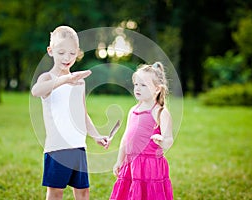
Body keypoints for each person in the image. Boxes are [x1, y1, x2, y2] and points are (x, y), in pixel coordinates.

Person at [31, 26, 109, 200]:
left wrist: (95, 135)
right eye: (61, 52)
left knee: (83, 192)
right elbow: (36, 91)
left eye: (72, 53)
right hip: (57, 148)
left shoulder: (79, 82)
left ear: (78, 53)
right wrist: (65, 79)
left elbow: (82, 113)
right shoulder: (48, 78)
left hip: (78, 147)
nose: (67, 58)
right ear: (50, 51)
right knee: (56, 192)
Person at [110, 62, 174, 200]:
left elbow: (169, 139)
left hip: (149, 165)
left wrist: (162, 141)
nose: (138, 88)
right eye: (136, 84)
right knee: (130, 194)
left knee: (148, 194)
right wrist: (119, 160)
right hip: (131, 163)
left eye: (143, 85)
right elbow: (125, 138)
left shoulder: (160, 112)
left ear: (157, 89)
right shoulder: (133, 110)